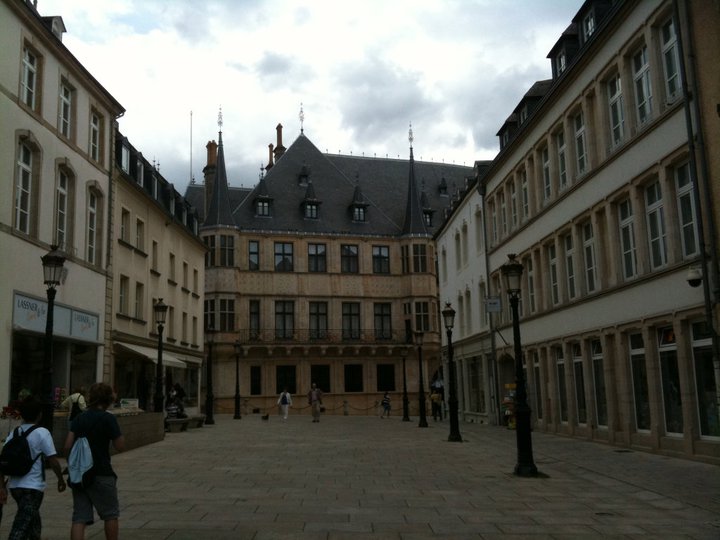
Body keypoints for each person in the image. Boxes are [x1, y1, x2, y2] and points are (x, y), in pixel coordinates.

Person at [64, 382, 125, 540]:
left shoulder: (79, 418)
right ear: (108, 399)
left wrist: (72, 463)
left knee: (79, 517)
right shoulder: (108, 418)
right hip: (102, 472)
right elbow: (120, 446)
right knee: (110, 514)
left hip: (80, 475)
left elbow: (67, 446)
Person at [0, 396, 66, 540]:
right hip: (33, 487)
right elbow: (53, 461)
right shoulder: (42, 432)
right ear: (39, 414)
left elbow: (3, 460)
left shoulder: (14, 433)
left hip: (15, 486)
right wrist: (60, 479)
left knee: (33, 523)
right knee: (21, 525)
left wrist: (2, 486)